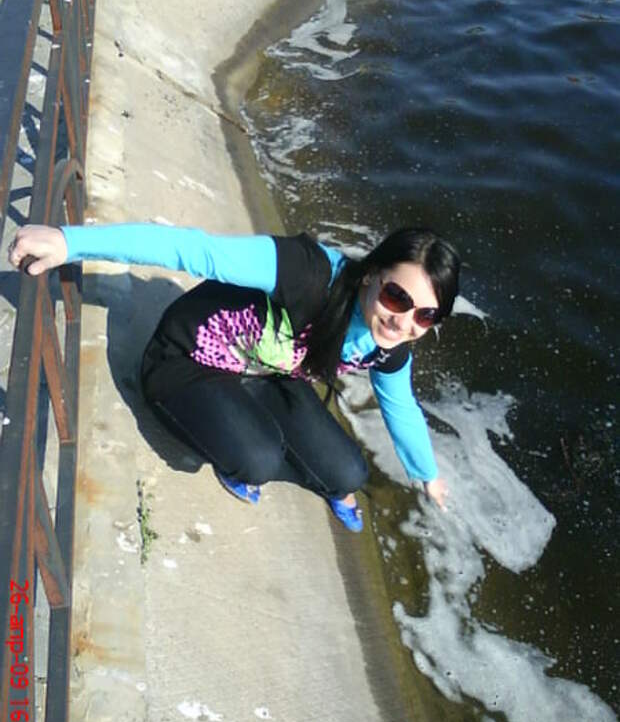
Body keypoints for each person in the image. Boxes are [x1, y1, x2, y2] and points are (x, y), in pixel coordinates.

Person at [8, 222, 460, 532]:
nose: (404, 322)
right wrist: (70, 242)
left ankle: (255, 426)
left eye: (426, 315)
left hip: (264, 370)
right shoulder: (305, 271)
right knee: (258, 460)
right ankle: (236, 442)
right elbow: (195, 250)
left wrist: (426, 473)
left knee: (348, 473)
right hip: (189, 359)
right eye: (397, 297)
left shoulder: (390, 344)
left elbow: (400, 404)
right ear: (372, 275)